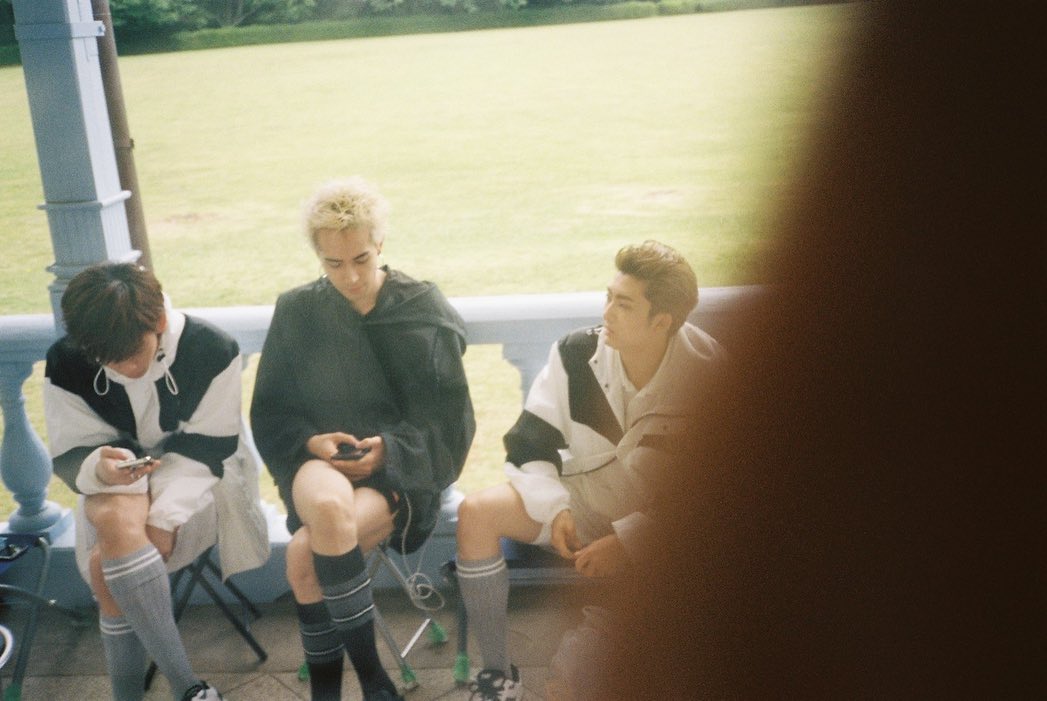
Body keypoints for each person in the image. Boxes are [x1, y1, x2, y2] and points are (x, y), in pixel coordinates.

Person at [455, 240, 725, 700]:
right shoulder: (576, 352)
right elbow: (529, 443)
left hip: (663, 527)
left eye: (624, 304)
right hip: (583, 500)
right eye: (608, 296)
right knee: (476, 512)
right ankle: (498, 674)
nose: (607, 312)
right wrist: (555, 508)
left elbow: (718, 494)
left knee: (584, 681)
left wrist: (630, 540)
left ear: (662, 321)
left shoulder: (709, 374)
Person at [249, 177, 475, 701]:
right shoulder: (298, 311)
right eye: (333, 263)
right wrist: (312, 443)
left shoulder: (422, 308)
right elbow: (271, 409)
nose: (349, 276)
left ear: (381, 244)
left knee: (303, 556)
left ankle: (331, 691)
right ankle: (375, 683)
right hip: (318, 462)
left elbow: (450, 420)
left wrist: (388, 451)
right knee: (329, 509)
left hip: (399, 472)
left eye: (361, 259)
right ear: (317, 256)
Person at [43, 262, 268, 701]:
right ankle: (189, 689)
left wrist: (163, 517)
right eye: (108, 361)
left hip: (200, 480)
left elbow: (209, 449)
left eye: (133, 354)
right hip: (117, 490)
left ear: (160, 322)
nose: (125, 368)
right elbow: (71, 452)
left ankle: (139, 694)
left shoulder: (213, 348)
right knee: (115, 525)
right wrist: (101, 468)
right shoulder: (66, 360)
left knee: (105, 566)